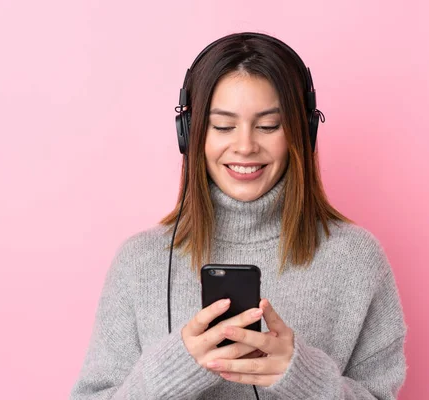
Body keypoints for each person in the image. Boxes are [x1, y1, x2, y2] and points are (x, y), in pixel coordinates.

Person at [70, 32, 407, 400]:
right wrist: (174, 368)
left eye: (267, 125)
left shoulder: (356, 258)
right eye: (223, 126)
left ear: (302, 132)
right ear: (190, 135)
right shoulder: (139, 262)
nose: (245, 146)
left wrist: (304, 377)